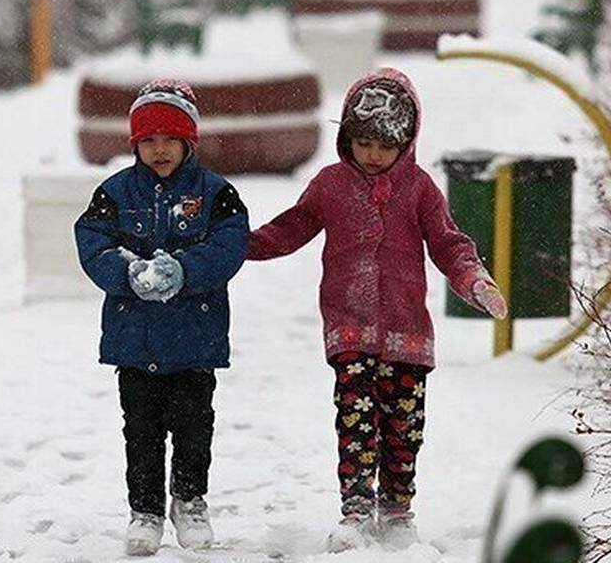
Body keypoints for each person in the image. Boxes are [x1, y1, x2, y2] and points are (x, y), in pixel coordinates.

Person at [246, 68, 507, 552]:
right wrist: (239, 246)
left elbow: (449, 245)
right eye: (363, 142)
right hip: (349, 328)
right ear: (347, 137)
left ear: (406, 143)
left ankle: (397, 505)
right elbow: (290, 229)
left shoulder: (420, 189)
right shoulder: (329, 185)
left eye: (385, 146)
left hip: (407, 332)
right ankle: (357, 507)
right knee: (355, 419)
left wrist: (474, 279)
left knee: (403, 426)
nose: (373, 154)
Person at [74, 78, 249, 556]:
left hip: (196, 343)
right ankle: (145, 510)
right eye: (147, 140)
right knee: (142, 432)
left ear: (189, 140)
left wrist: (185, 270)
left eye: (170, 139)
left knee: (195, 429)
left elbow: (231, 244)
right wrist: (126, 273)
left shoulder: (216, 194)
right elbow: (92, 242)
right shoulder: (114, 193)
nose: (159, 149)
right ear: (134, 144)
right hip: (137, 344)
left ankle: (190, 502)